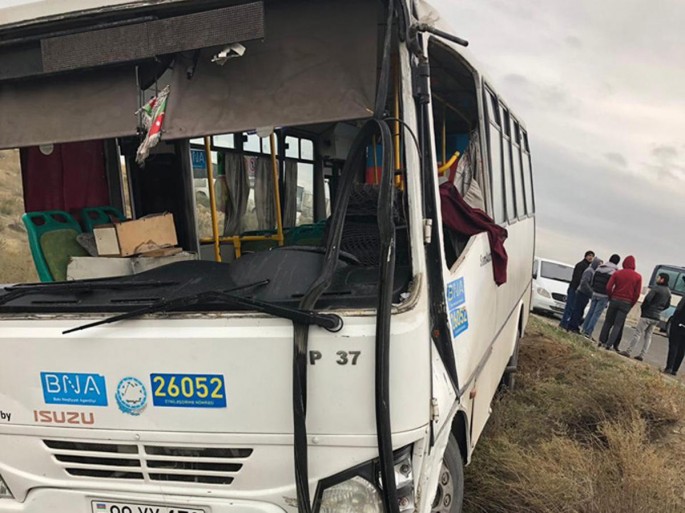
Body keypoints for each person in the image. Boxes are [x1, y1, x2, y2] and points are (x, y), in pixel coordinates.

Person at [622, 273, 671, 360]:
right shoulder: (668, 292)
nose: (656, 278)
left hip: (647, 315)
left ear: (662, 279)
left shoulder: (656, 288)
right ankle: (642, 355)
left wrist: (643, 309)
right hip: (656, 317)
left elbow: (647, 299)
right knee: (648, 336)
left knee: (638, 333)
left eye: (658, 277)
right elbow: (667, 305)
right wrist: (659, 310)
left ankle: (628, 351)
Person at [599, 255, 642, 351]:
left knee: (608, 321)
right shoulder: (638, 277)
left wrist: (611, 296)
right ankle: (609, 344)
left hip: (615, 299)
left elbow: (609, 287)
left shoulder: (617, 273)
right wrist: (631, 303)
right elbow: (637, 294)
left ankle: (602, 340)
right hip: (626, 302)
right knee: (618, 325)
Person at [582, 254, 620, 338]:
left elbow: (593, 280)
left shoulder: (599, 268)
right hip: (604, 295)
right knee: (596, 314)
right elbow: (611, 286)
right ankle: (588, 332)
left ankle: (583, 329)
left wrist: (593, 289)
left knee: (590, 312)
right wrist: (609, 296)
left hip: (595, 292)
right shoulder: (614, 272)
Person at [560, 250, 595, 330]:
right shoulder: (581, 265)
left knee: (573, 308)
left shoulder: (588, 267)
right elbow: (578, 278)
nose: (590, 257)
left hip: (578, 290)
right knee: (570, 307)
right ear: (585, 256)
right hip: (574, 288)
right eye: (589, 255)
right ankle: (564, 323)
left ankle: (567, 324)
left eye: (592, 256)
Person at [568, 257, 602, 333]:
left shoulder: (593, 271)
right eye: (599, 265)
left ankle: (574, 326)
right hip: (582, 293)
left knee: (580, 311)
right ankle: (572, 327)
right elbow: (584, 283)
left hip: (585, 294)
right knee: (577, 311)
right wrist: (591, 292)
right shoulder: (589, 271)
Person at [665, 293, 685, 376]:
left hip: (679, 323)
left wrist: (675, 320)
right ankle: (675, 369)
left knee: (674, 345)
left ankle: (669, 367)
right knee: (682, 348)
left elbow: (679, 309)